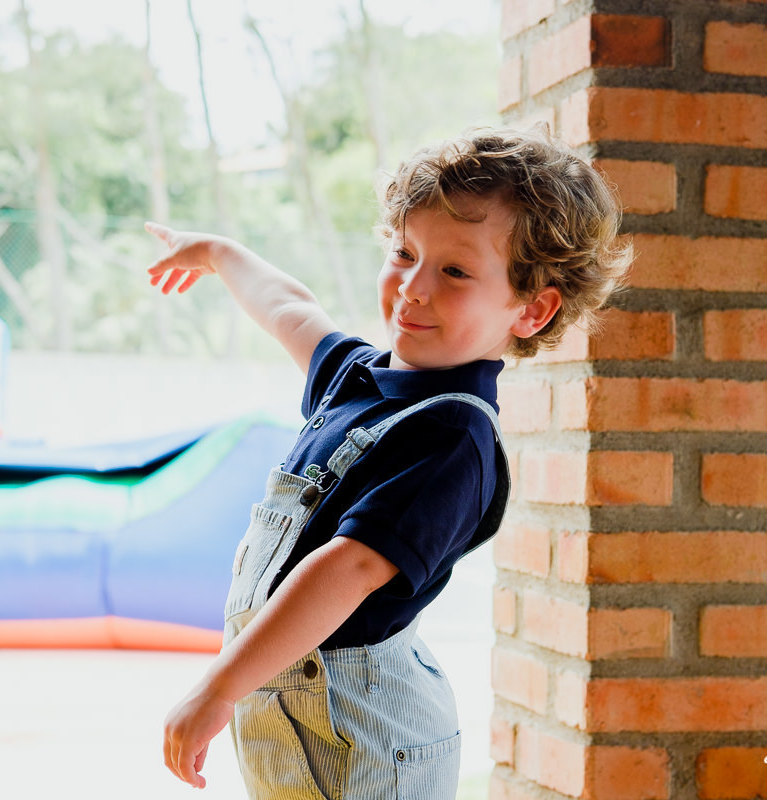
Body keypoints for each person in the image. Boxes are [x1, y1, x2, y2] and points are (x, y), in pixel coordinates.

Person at [145, 127, 632, 799]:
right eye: (405, 253)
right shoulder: (358, 378)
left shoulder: (450, 435)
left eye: (454, 271)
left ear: (531, 309)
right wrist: (222, 256)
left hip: (364, 733)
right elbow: (292, 309)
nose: (413, 287)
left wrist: (221, 684)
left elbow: (347, 568)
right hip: (300, 711)